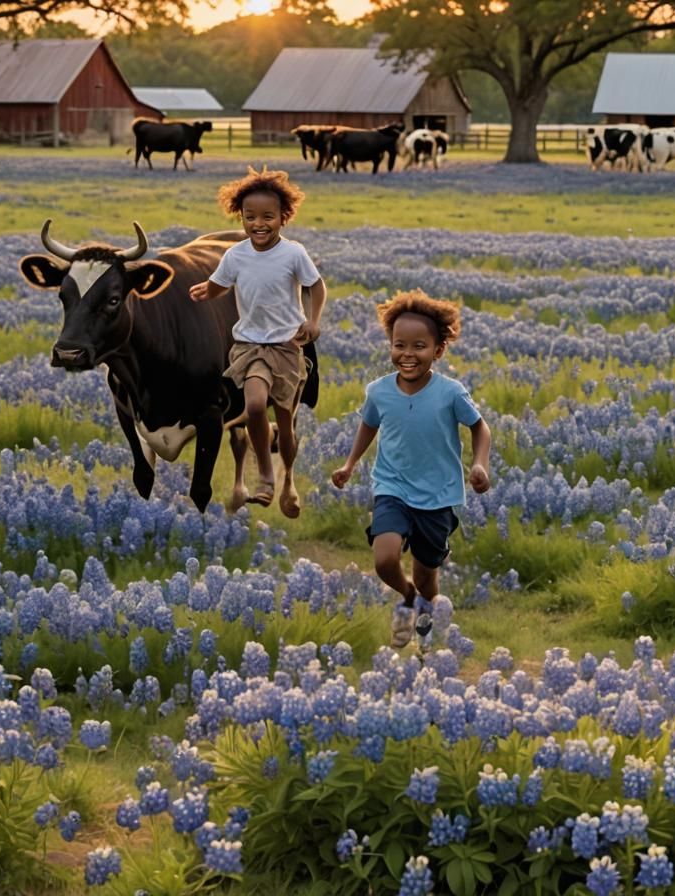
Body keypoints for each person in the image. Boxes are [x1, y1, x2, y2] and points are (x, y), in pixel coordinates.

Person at [331, 289, 491, 649]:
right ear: (390, 345)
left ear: (438, 350)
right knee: (385, 558)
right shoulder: (379, 391)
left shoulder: (451, 392)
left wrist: (480, 463)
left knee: (426, 576)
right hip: (392, 487)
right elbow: (368, 426)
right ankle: (405, 599)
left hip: (437, 495)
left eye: (419, 346)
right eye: (399, 345)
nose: (407, 354)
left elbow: (480, 427)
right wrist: (349, 463)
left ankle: (425, 608)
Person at [190, 167, 326, 518]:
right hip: (250, 345)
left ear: (284, 217)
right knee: (252, 406)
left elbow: (315, 286)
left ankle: (286, 476)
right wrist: (208, 290)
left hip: (286, 345)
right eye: (250, 217)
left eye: (268, 216)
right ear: (241, 217)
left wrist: (312, 321)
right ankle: (265, 475)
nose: (258, 224)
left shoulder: (294, 253)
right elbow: (222, 281)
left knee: (285, 421)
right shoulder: (236, 255)